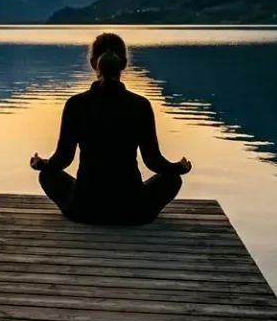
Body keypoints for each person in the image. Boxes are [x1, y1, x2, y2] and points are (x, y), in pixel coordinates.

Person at [29, 32, 192, 224]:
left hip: (85, 208)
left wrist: (41, 165)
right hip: (131, 209)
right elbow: (153, 161)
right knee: (172, 180)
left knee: (48, 176)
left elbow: (63, 159)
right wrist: (178, 168)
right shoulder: (140, 105)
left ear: (92, 63)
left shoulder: (76, 104)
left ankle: (78, 206)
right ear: (124, 63)